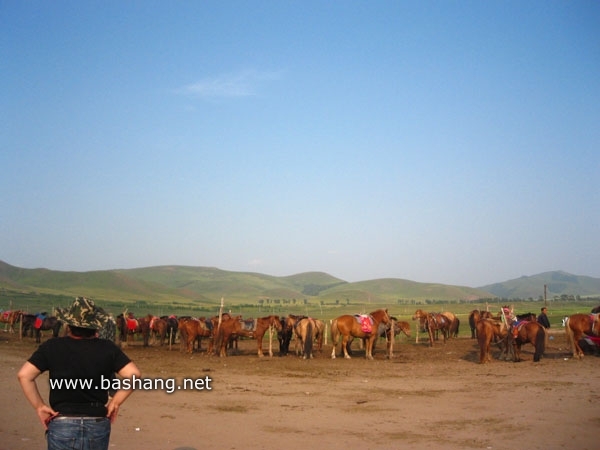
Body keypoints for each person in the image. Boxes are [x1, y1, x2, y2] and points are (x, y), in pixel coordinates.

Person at [17, 297, 141, 450]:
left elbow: (24, 375)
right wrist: (115, 402)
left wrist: (39, 406)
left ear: (68, 325)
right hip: (97, 422)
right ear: (96, 326)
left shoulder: (52, 346)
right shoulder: (108, 348)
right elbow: (134, 375)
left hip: (62, 422)